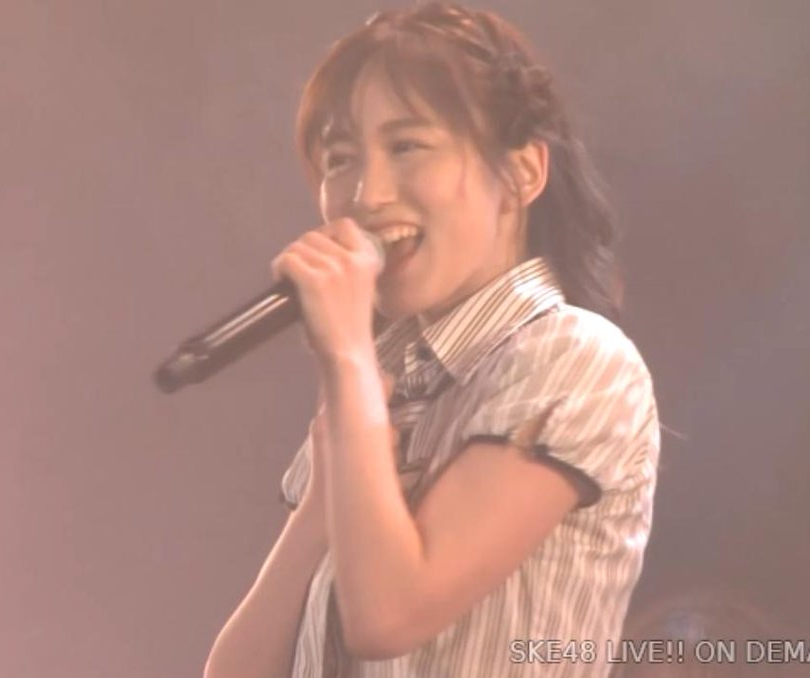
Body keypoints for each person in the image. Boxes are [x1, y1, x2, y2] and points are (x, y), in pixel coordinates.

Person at [204, 3, 659, 677]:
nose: (367, 195)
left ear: (523, 174)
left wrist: (349, 361)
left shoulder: (576, 358)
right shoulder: (376, 394)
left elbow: (388, 616)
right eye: (340, 159)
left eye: (408, 146)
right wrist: (324, 497)